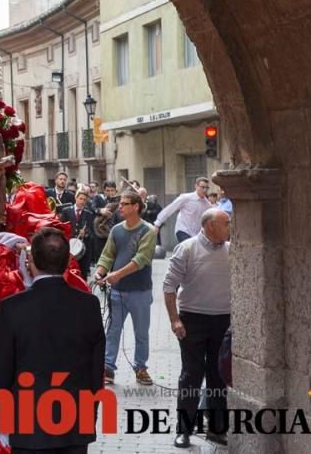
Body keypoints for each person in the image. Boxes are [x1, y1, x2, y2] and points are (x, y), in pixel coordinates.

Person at [0, 228, 105, 453]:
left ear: (30, 260)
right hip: (74, 421)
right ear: (67, 260)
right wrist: (90, 413)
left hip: (27, 423)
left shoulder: (12, 308)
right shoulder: (88, 305)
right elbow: (96, 368)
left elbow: (1, 371)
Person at [162, 208, 231, 448]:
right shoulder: (187, 248)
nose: (230, 227)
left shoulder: (232, 250)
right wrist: (174, 320)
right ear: (211, 225)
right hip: (192, 321)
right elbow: (169, 286)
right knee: (191, 375)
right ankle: (184, 431)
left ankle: (217, 429)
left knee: (218, 377)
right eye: (226, 223)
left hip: (223, 321)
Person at [94, 190, 158, 386]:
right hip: (117, 291)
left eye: (124, 204)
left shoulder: (148, 231)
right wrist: (100, 271)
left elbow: (141, 259)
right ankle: (108, 368)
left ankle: (141, 368)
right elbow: (107, 255)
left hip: (140, 291)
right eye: (120, 204)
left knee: (141, 333)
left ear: (136, 206)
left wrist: (116, 275)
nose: (119, 207)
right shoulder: (116, 230)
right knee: (112, 330)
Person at [154, 176, 212, 244]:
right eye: (202, 187)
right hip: (183, 230)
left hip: (196, 234)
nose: (205, 190)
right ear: (196, 186)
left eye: (207, 188)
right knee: (188, 247)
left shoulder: (207, 204)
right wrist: (157, 224)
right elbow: (170, 208)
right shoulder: (186, 198)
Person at [62, 188, 95, 279]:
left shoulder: (89, 214)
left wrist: (86, 233)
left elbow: (92, 232)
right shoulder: (66, 211)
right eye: (80, 199)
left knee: (82, 274)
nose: (82, 201)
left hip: (83, 250)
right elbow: (62, 228)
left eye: (84, 200)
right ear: (76, 198)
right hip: (69, 248)